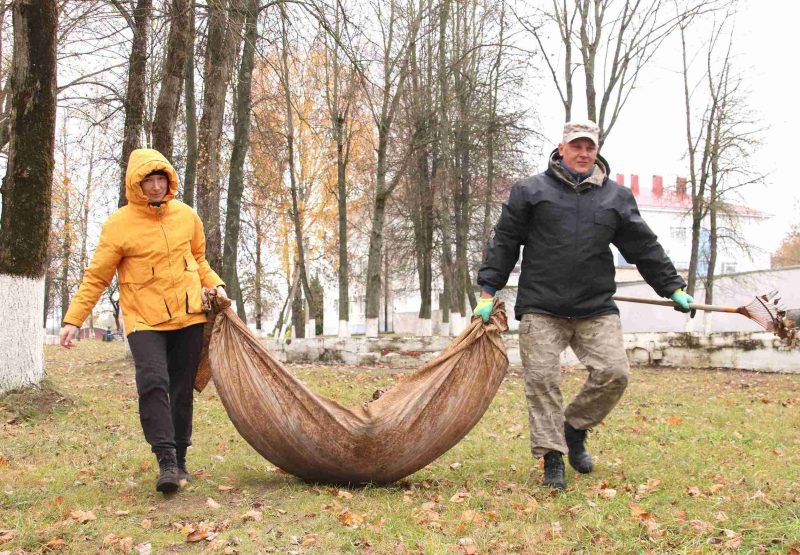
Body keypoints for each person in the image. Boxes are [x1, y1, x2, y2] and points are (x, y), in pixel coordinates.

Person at [473, 121, 694, 489]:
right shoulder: (530, 191)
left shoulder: (616, 197)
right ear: (561, 148)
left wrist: (672, 287)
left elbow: (643, 246)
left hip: (595, 306)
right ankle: (553, 457)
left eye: (589, 147)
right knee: (542, 381)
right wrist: (487, 290)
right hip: (542, 306)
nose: (583, 153)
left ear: (597, 150)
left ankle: (573, 428)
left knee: (615, 373)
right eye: (576, 146)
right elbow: (505, 242)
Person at [60, 148, 226, 494]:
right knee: (153, 383)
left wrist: (219, 288)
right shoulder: (118, 224)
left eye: (160, 178)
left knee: (182, 389)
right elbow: (97, 276)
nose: (154, 186)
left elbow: (198, 260)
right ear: (136, 184)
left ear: (169, 179)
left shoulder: (186, 216)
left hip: (188, 315)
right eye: (147, 180)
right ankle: (165, 459)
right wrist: (74, 319)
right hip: (143, 319)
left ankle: (180, 458)